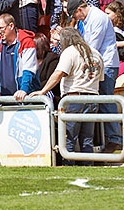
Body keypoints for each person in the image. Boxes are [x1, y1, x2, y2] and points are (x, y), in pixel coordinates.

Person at [30, 27, 104, 164]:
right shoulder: (96, 53)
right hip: (93, 97)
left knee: (69, 137)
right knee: (87, 138)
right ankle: (87, 167)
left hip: (73, 97)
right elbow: (100, 79)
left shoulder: (70, 52)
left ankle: (68, 167)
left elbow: (59, 73)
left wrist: (43, 91)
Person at [65, 0, 121, 152]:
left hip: (106, 64)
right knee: (101, 101)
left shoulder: (97, 18)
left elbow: (91, 47)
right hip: (100, 64)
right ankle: (110, 139)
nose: (75, 19)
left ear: (79, 10)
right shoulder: (89, 19)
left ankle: (114, 138)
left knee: (106, 100)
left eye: (75, 15)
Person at [0, 13, 39, 99]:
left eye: (1, 28)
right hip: (5, 95)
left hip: (26, 95)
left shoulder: (26, 42)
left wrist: (23, 90)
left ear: (11, 26)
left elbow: (29, 69)